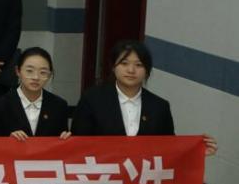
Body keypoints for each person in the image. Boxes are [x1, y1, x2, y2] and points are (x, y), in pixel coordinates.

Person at [72, 40, 218, 154]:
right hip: (103, 177)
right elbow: (78, 145)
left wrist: (196, 151)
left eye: (138, 65)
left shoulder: (159, 107)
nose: (131, 70)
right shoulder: (92, 99)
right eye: (124, 63)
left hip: (144, 179)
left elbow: (169, 149)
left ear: (147, 71)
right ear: (113, 67)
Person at [0, 47, 71, 139]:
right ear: (18, 71)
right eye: (29, 71)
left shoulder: (59, 106)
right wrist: (8, 141)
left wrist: (66, 138)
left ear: (49, 75)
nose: (36, 77)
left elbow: (62, 141)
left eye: (43, 72)